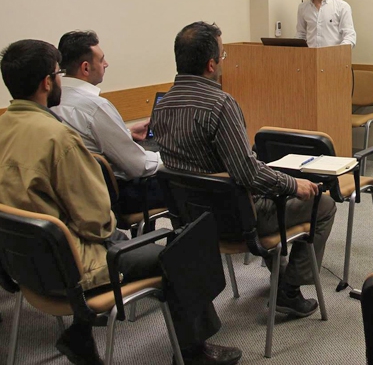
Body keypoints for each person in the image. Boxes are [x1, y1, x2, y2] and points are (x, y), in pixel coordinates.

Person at [0, 39, 240, 365]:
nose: (60, 79)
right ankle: (194, 352)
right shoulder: (58, 139)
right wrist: (116, 234)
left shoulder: (5, 126)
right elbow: (96, 221)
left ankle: (80, 334)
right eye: (57, 74)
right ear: (46, 82)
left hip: (30, 265)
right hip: (77, 264)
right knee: (183, 251)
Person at [151, 21, 337, 317]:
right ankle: (289, 290)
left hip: (192, 222)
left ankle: (281, 276)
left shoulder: (162, 105)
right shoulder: (220, 105)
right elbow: (247, 174)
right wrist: (293, 184)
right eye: (223, 56)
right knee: (322, 204)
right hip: (236, 220)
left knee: (272, 189)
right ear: (211, 64)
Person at [51, 31, 163, 215]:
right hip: (114, 196)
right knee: (184, 185)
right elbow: (139, 166)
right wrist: (170, 158)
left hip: (75, 196)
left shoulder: (53, 99)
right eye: (102, 59)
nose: (106, 64)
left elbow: (87, 140)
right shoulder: (95, 107)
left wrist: (126, 133)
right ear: (86, 68)